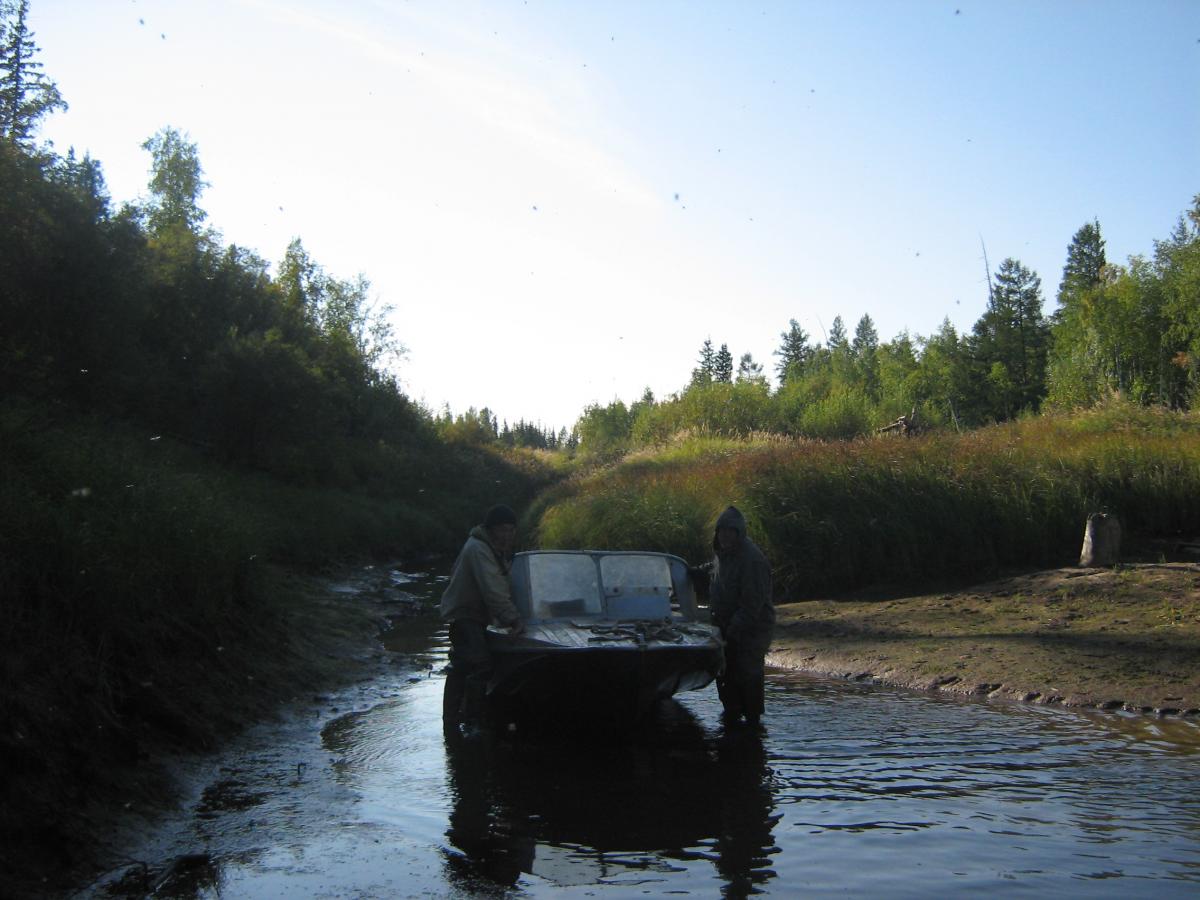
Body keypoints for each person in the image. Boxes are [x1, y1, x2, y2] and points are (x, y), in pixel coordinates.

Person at [440, 504, 525, 736]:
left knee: (461, 666)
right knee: (480, 665)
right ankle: (471, 723)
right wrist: (513, 619)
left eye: (511, 530)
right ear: (491, 529)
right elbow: (493, 590)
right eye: (502, 529)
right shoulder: (479, 549)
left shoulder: (490, 548)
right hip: (466, 614)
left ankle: (454, 721)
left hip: (472, 614)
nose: (507, 535)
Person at [706, 505, 774, 727]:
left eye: (730, 531)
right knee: (727, 679)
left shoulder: (752, 560)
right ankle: (732, 717)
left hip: (751, 632)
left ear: (739, 533)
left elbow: (751, 606)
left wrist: (730, 634)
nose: (724, 535)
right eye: (721, 530)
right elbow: (713, 571)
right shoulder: (724, 555)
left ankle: (754, 726)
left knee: (749, 677)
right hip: (727, 630)